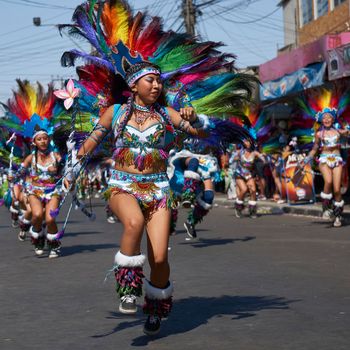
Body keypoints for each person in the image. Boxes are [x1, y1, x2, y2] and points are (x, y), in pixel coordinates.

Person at [70, 61, 207, 335]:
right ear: (134, 85)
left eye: (159, 81)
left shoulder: (167, 114)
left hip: (158, 190)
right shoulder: (116, 112)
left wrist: (195, 119)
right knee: (133, 223)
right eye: (150, 81)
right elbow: (92, 141)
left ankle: (156, 307)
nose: (156, 86)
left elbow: (199, 133)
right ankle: (128, 289)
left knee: (159, 258)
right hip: (123, 186)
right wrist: (72, 165)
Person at [15, 129, 64, 257]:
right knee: (36, 215)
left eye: (45, 138)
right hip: (35, 191)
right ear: (34, 142)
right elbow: (20, 171)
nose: (43, 141)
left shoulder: (56, 155)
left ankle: (53, 244)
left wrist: (58, 167)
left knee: (50, 219)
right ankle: (38, 238)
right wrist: (14, 176)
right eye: (39, 139)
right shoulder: (31, 157)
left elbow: (66, 168)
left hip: (53, 191)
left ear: (49, 140)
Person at [304, 109, 349, 227]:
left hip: (337, 159)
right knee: (328, 181)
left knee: (337, 190)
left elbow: (348, 133)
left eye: (329, 117)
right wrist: (308, 157)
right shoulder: (319, 134)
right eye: (324, 118)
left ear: (333, 119)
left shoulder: (339, 132)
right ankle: (326, 207)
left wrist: (346, 126)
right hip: (324, 159)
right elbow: (315, 148)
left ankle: (338, 215)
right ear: (321, 120)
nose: (327, 120)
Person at [234, 139, 266, 218]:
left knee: (253, 190)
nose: (247, 143)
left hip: (248, 174)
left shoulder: (255, 153)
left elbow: (264, 160)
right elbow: (231, 160)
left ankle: (252, 210)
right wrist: (235, 158)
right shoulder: (240, 152)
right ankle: (238, 206)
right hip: (239, 173)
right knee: (244, 189)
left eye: (249, 142)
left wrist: (263, 157)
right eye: (246, 141)